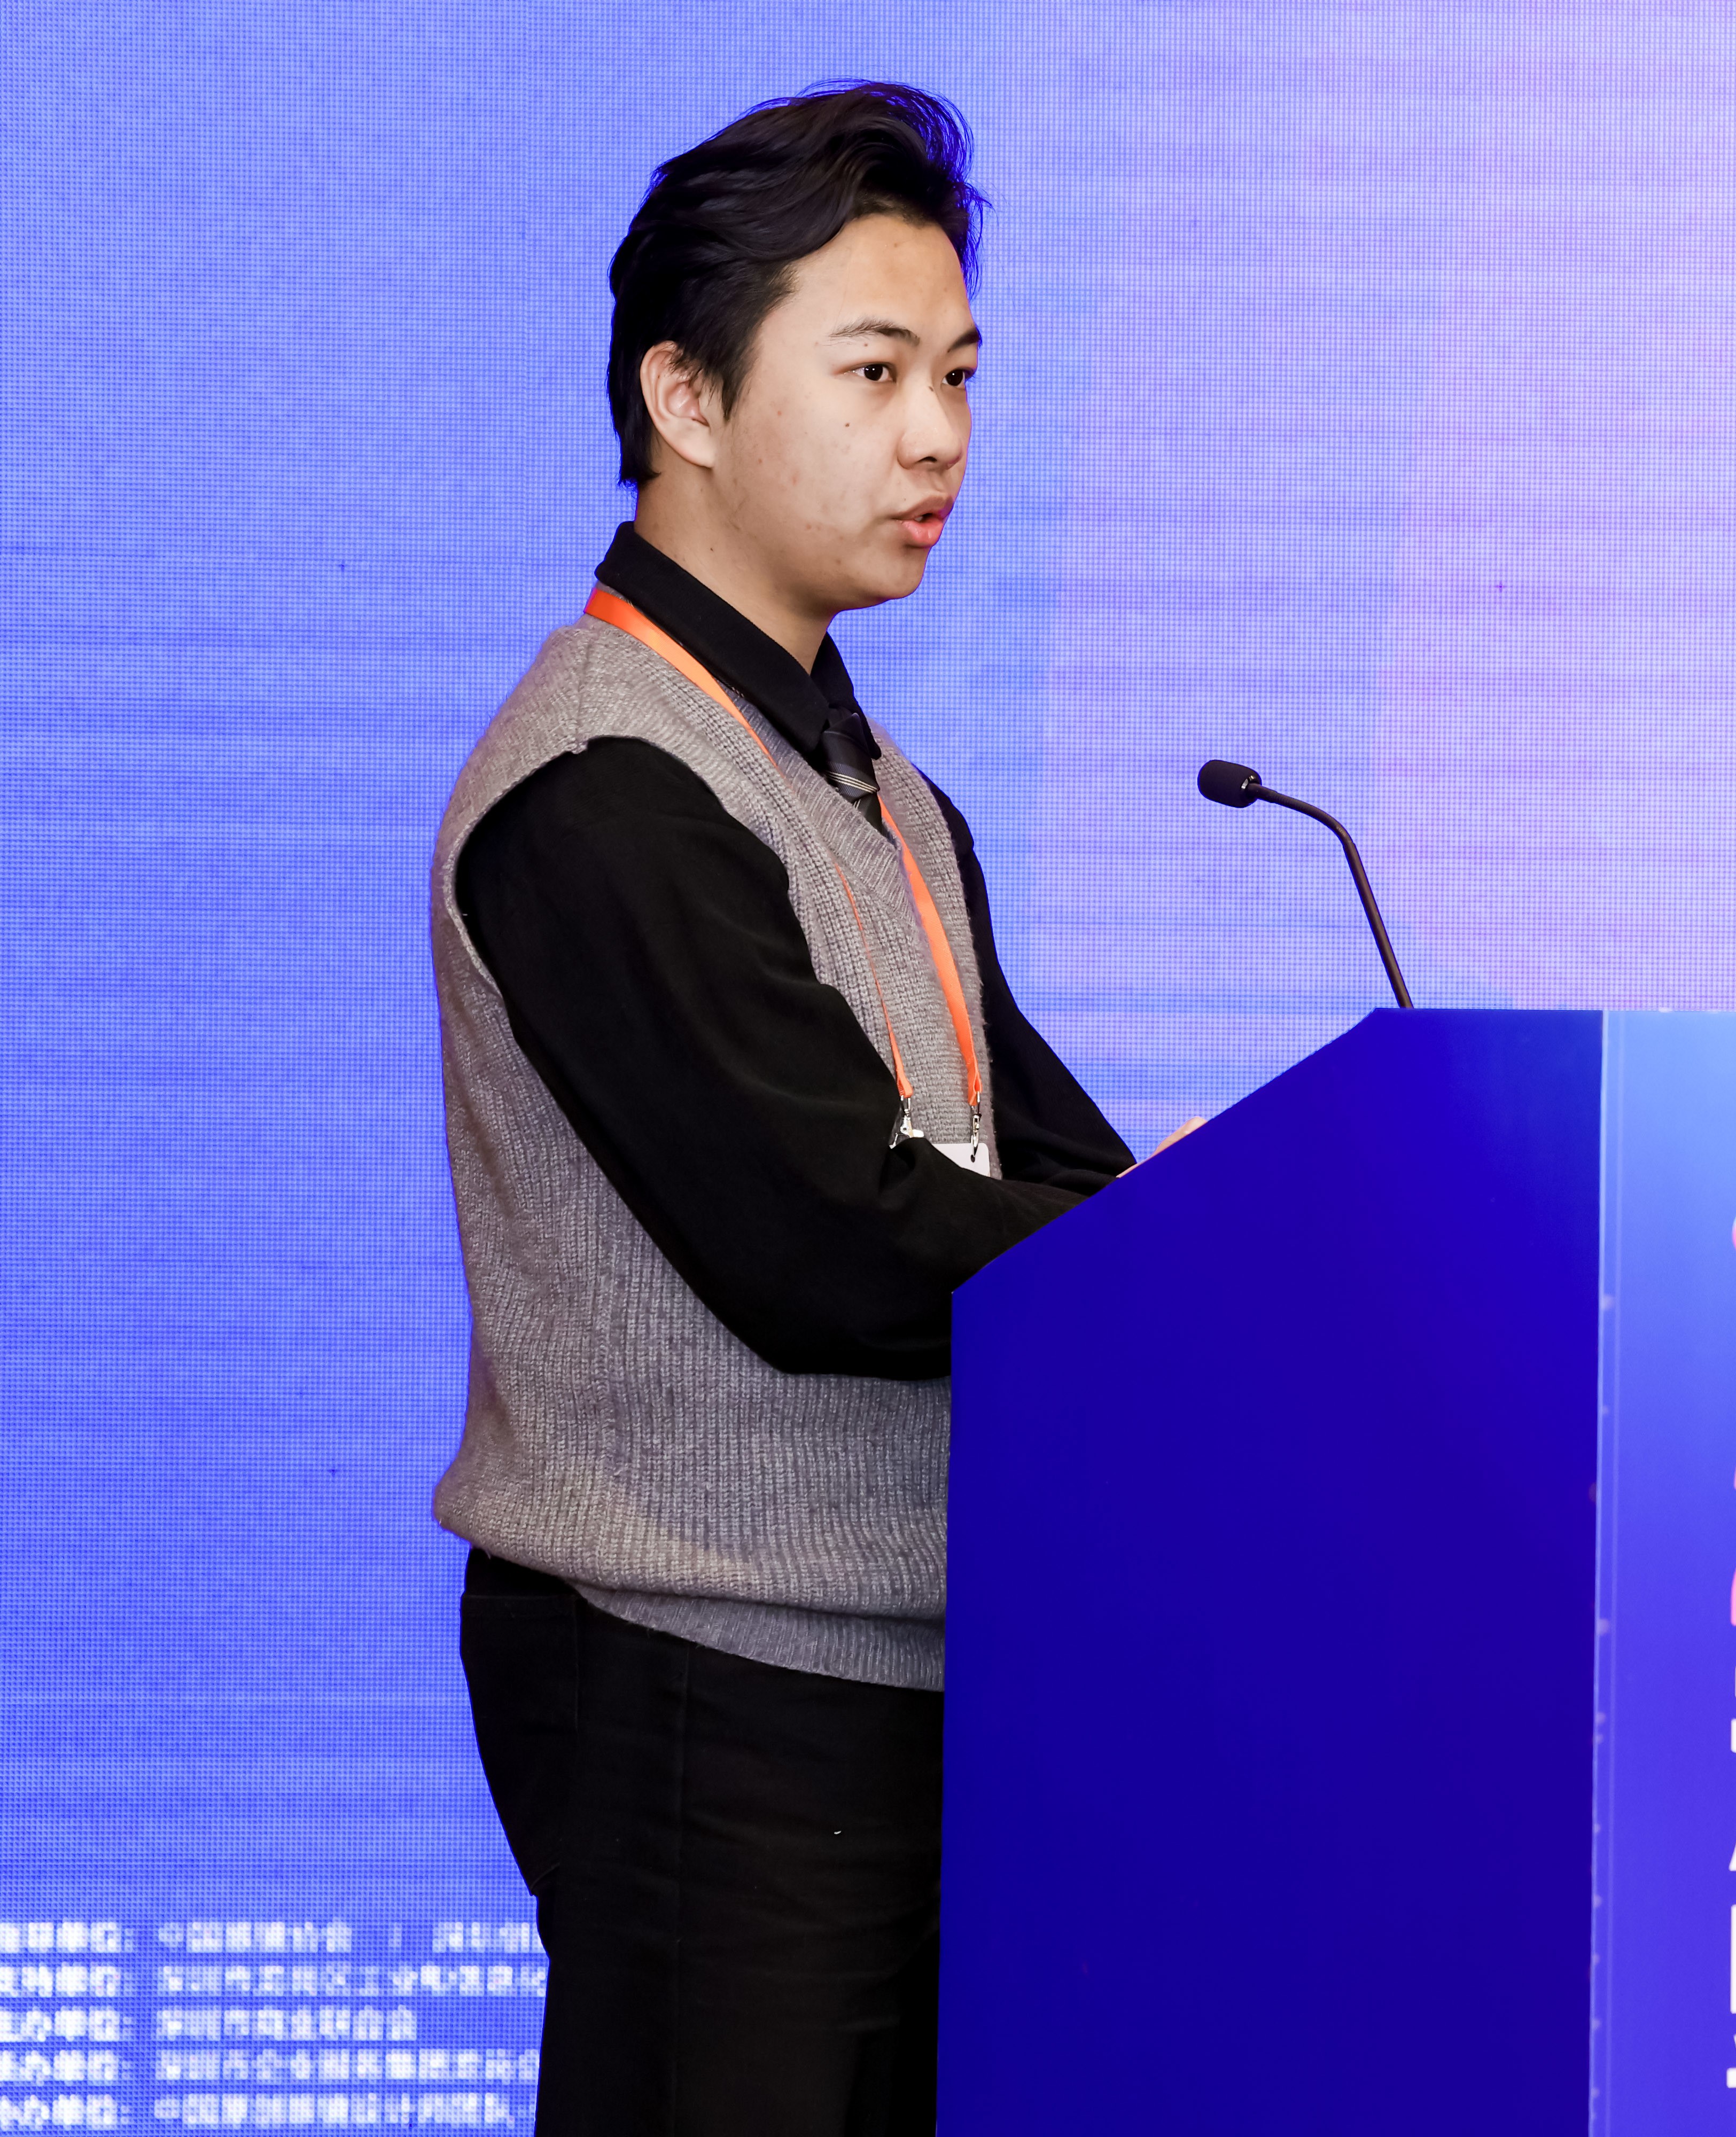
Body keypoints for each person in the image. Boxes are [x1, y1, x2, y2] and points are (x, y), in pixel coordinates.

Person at [427, 84, 1130, 2133]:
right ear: (688, 399)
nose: (940, 439)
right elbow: (834, 1238)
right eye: (877, 372)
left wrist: (1224, 1228)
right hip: (705, 1696)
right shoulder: (604, 788)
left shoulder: (880, 791)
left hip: (910, 1689)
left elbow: (1040, 1166)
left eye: (962, 377)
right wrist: (1155, 1249)